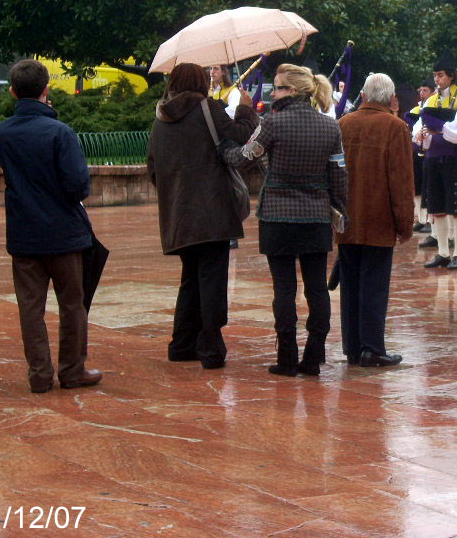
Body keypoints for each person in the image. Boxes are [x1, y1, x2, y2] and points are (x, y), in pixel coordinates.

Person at [0, 59, 101, 393]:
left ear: (13, 92)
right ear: (46, 89)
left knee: (30, 308)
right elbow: (78, 185)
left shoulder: (1, 134)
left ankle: (39, 374)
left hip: (24, 233)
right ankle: (72, 370)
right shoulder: (60, 132)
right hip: (64, 233)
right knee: (72, 304)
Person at [147, 63, 258, 369]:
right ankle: (210, 347)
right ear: (198, 81)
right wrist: (246, 109)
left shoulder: (160, 118)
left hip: (179, 215)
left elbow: (153, 169)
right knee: (212, 279)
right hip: (213, 211)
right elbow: (241, 136)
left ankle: (182, 344)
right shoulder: (208, 108)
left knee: (191, 279)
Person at [239, 63, 347, 376]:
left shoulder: (272, 123)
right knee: (317, 288)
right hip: (316, 217)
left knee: (284, 290)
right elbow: (339, 176)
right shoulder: (330, 126)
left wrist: (223, 150)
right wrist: (341, 209)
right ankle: (313, 357)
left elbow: (244, 157)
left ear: (293, 91)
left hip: (277, 218)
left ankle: (286, 358)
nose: (273, 93)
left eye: (277, 88)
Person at [336, 73, 414, 367]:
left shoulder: (344, 124)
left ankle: (352, 347)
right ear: (392, 98)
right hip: (380, 221)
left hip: (347, 219)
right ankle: (372, 347)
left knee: (350, 284)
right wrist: (405, 224)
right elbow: (401, 181)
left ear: (364, 96)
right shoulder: (396, 127)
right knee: (374, 286)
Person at [412, 55, 457, 270]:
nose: (436, 80)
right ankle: (443, 252)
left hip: (453, 158)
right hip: (432, 158)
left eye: (440, 75)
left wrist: (440, 128)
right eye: (435, 76)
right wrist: (420, 134)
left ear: (451, 76)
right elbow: (419, 124)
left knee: (454, 206)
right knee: (436, 204)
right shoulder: (430, 101)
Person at [405, 78, 435, 232]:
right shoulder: (418, 109)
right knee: (418, 187)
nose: (422, 93)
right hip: (417, 151)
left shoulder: (435, 107)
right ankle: (422, 219)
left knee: (428, 187)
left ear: (433, 92)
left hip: (430, 151)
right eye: (421, 90)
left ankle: (430, 221)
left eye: (425, 90)